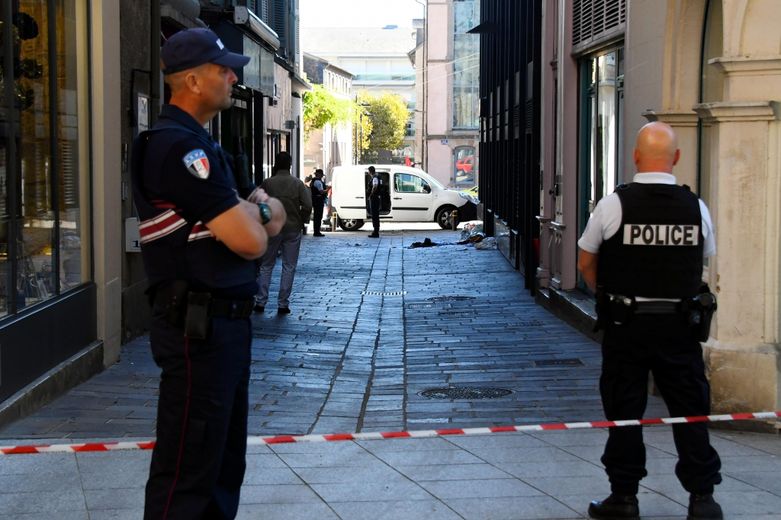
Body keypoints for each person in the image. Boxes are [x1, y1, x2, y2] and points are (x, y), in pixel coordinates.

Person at [131, 28, 286, 519]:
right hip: (198, 328)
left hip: (223, 328)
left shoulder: (201, 145)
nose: (233, 76)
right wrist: (257, 214)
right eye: (223, 69)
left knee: (221, 465)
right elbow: (253, 238)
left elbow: (271, 218)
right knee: (190, 471)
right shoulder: (180, 150)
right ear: (193, 81)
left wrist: (256, 214)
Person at [577, 122, 722, 520]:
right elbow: (703, 259)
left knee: (624, 411)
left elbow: (586, 261)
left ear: (636, 156)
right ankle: (703, 499)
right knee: (690, 410)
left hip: (627, 327)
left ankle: (623, 498)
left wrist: (608, 294)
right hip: (679, 329)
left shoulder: (613, 204)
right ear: (675, 159)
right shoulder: (696, 207)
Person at [254, 151, 312, 315]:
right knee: (289, 266)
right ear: (290, 165)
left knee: (266, 265)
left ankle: (261, 301)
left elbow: (258, 203)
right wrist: (302, 220)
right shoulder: (297, 184)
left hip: (272, 229)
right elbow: (307, 205)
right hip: (292, 228)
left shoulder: (267, 183)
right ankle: (283, 303)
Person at [310, 169, 326, 237]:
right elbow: (321, 191)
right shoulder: (318, 182)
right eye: (321, 174)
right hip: (318, 201)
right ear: (319, 174)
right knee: (318, 216)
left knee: (317, 216)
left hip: (315, 200)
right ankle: (317, 232)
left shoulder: (314, 181)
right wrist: (328, 189)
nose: (322, 176)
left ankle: (316, 231)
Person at [368, 165, 381, 238]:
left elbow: (375, 186)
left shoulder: (375, 178)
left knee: (375, 215)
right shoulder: (376, 177)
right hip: (375, 198)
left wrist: (371, 195)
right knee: (375, 215)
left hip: (374, 198)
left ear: (370, 171)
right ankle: (375, 231)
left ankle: (376, 232)